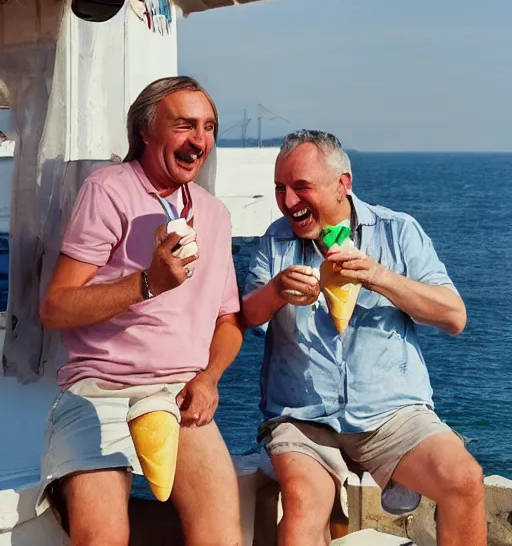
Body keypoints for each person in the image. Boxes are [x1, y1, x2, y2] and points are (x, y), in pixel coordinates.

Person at [242, 130, 485, 546]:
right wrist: (275, 292)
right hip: (303, 417)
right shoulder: (275, 241)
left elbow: (453, 316)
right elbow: (245, 316)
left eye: (301, 187)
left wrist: (380, 277)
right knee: (304, 503)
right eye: (281, 189)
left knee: (464, 480)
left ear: (343, 184)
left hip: (392, 414)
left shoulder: (397, 231)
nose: (288, 202)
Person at [38, 76, 243, 546]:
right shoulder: (108, 190)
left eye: (209, 127)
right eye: (184, 125)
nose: (200, 140)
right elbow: (55, 307)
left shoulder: (214, 214)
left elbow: (228, 321)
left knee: (221, 538)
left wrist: (209, 378)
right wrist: (148, 282)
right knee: (101, 538)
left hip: (179, 396)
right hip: (101, 392)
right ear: (146, 131)